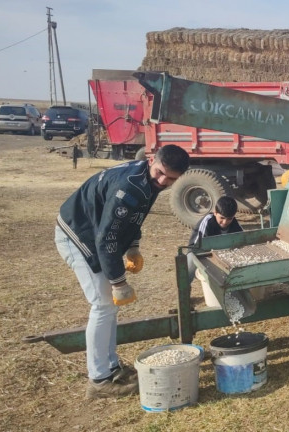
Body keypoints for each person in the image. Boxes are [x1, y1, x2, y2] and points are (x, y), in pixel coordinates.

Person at [54, 144, 190, 398]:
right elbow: (106, 239)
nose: (163, 181)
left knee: (108, 307)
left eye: (171, 179)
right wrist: (118, 282)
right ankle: (99, 380)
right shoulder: (129, 187)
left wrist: (133, 248)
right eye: (160, 172)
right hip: (78, 236)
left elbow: (133, 218)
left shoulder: (146, 180)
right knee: (103, 305)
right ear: (152, 160)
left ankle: (111, 367)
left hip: (96, 234)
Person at [187, 196, 244, 307]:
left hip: (223, 252)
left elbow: (241, 240)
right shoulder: (207, 221)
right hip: (199, 251)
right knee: (187, 267)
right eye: (222, 218)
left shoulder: (235, 224)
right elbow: (200, 245)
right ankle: (185, 296)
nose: (225, 222)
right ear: (215, 213)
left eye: (229, 219)